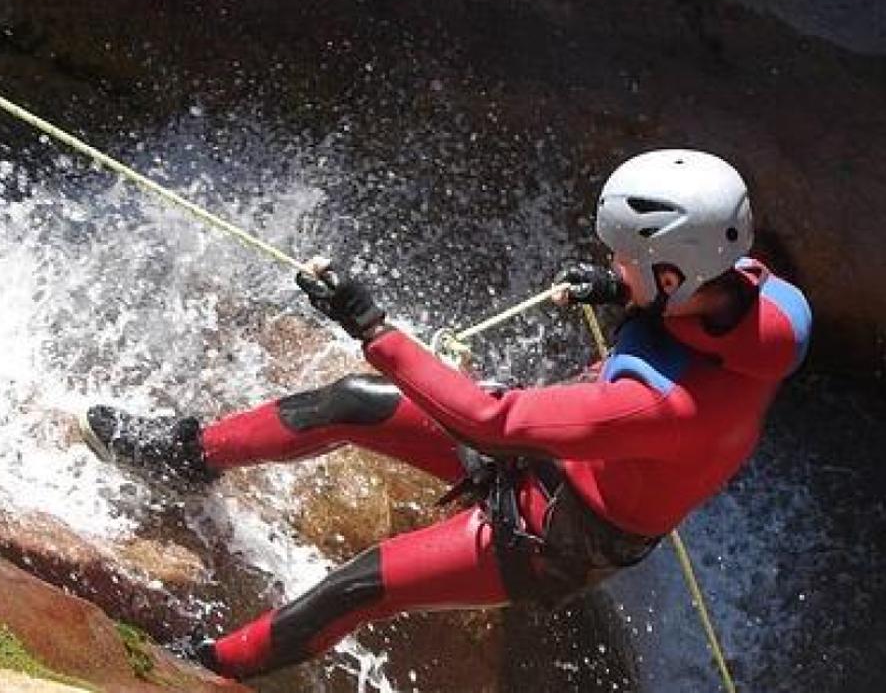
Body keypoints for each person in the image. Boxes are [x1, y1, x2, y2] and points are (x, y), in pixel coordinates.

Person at [81, 148, 812, 681]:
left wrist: (373, 328)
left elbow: (488, 421)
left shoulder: (659, 406)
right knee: (348, 405)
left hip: (553, 537)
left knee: (357, 587)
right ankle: (187, 455)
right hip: (558, 463)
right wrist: (620, 291)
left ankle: (201, 672)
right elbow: (683, 321)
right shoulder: (756, 291)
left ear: (672, 273)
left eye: (621, 258)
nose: (610, 263)